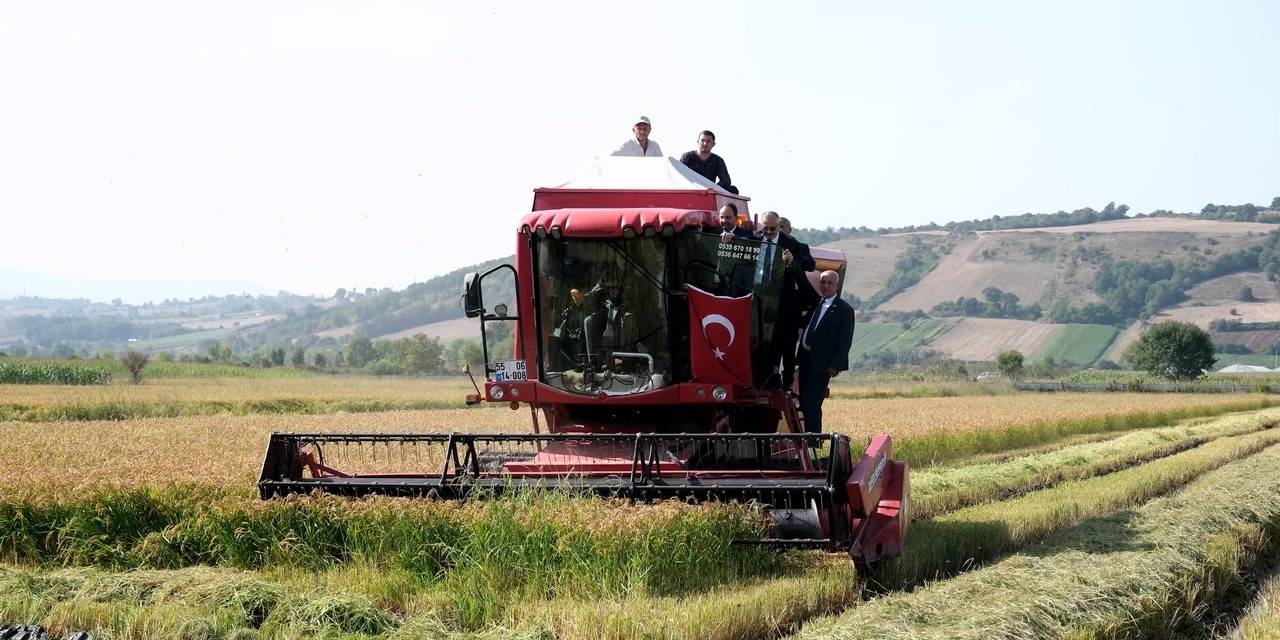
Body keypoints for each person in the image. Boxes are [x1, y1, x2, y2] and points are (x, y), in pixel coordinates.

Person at [796, 271, 854, 433]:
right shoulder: (815, 303)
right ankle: (806, 437)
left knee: (812, 402)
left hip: (822, 364)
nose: (826, 286)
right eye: (823, 282)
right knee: (803, 400)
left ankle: (813, 440)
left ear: (837, 286)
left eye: (830, 283)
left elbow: (845, 340)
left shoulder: (844, 309)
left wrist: (835, 365)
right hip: (806, 360)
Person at [777, 216, 817, 388]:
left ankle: (787, 381)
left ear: (790, 229)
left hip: (792, 305)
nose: (779, 230)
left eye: (782, 227)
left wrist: (793, 261)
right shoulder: (767, 243)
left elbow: (810, 264)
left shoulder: (799, 247)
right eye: (776, 227)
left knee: (789, 346)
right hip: (772, 304)